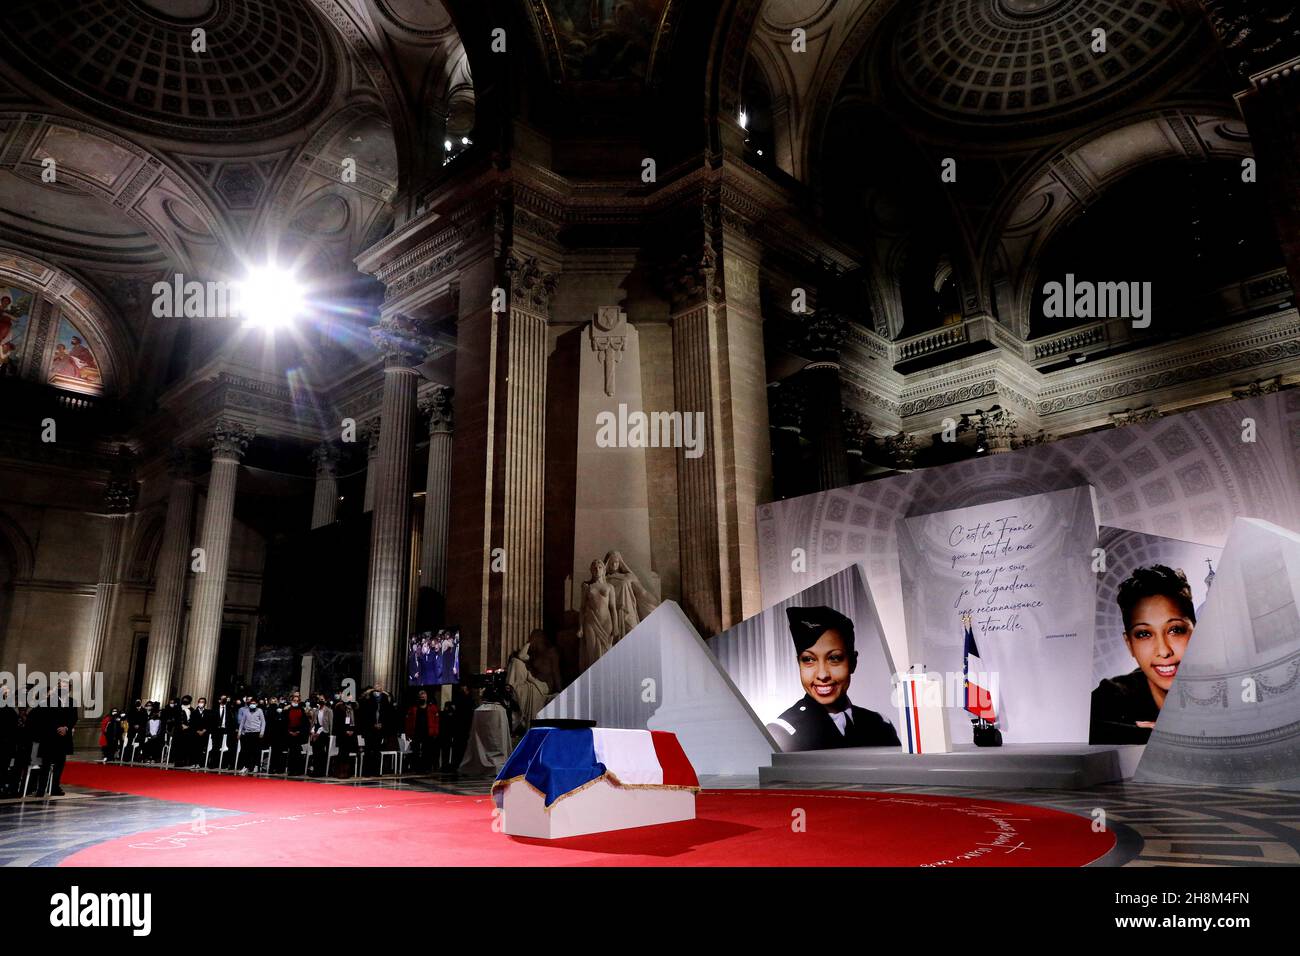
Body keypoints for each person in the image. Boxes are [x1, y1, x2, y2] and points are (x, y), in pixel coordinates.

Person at [768, 606, 900, 751]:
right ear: (799, 663)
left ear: (853, 662)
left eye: (834, 658)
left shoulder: (880, 725)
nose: (822, 675)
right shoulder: (781, 734)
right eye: (808, 659)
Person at [1090, 565, 1197, 745]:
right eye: (1144, 634)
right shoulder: (1112, 694)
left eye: (1175, 630)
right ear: (1129, 644)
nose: (1164, 651)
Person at [40, 679, 79, 794]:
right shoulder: (49, 701)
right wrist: (57, 728)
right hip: (50, 737)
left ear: (69, 689)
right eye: (61, 687)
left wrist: (66, 727)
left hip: (64, 737)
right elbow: (45, 719)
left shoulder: (72, 702)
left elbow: (74, 718)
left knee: (60, 764)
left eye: (65, 687)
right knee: (45, 764)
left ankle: (54, 787)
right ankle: (41, 788)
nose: (63, 689)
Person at [404, 690, 439, 773]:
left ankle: (426, 768)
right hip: (416, 732)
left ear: (426, 697)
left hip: (428, 732)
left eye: (424, 696)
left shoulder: (432, 707)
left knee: (427, 751)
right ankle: (416, 768)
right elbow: (408, 721)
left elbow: (436, 721)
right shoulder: (413, 708)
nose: (422, 698)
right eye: (421, 696)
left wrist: (435, 732)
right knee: (415, 751)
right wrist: (407, 733)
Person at [282, 693, 310, 774]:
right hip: (289, 734)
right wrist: (289, 731)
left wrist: (299, 731)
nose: (295, 702)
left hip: (299, 734)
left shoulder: (302, 710)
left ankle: (298, 770)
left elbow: (305, 723)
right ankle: (291, 770)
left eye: (297, 701)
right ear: (291, 701)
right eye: (294, 700)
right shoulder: (287, 710)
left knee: (297, 752)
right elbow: (284, 723)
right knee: (291, 753)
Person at [237, 698, 266, 774]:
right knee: (247, 750)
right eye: (251, 703)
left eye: (254, 703)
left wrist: (262, 732)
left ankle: (256, 766)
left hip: (256, 733)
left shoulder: (259, 711)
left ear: (256, 704)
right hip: (247, 733)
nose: (252, 705)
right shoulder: (246, 711)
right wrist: (239, 732)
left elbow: (263, 722)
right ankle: (246, 766)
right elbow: (242, 722)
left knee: (256, 750)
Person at [332, 697, 359, 778]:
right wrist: (345, 731)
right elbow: (337, 723)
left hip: (352, 735)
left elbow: (357, 722)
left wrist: (353, 731)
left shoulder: (355, 708)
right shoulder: (340, 708)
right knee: (342, 753)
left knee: (348, 754)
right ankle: (340, 771)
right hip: (342, 734)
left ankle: (347, 771)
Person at [309, 695, 333, 776]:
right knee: (315, 752)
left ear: (325, 700)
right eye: (319, 699)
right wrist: (312, 731)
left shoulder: (329, 711)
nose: (321, 701)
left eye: (322, 699)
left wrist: (329, 734)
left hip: (324, 733)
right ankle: (315, 770)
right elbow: (313, 723)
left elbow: (330, 724)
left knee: (320, 752)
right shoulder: (316, 711)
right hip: (315, 731)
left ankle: (321, 771)